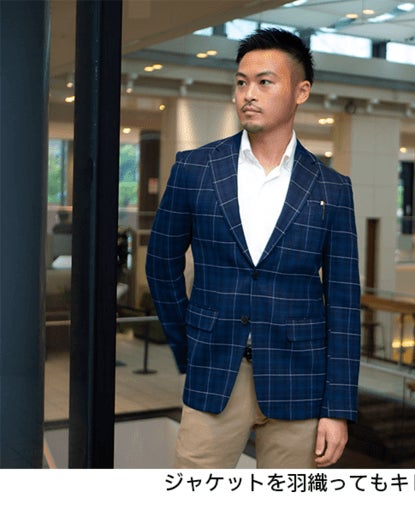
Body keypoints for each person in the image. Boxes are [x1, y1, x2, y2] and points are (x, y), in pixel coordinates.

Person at [145, 28, 361, 469]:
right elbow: (161, 264)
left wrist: (338, 407)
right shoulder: (195, 169)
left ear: (301, 91)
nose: (248, 94)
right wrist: (190, 345)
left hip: (300, 379)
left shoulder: (332, 188)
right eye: (241, 82)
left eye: (265, 82)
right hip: (215, 370)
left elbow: (343, 301)